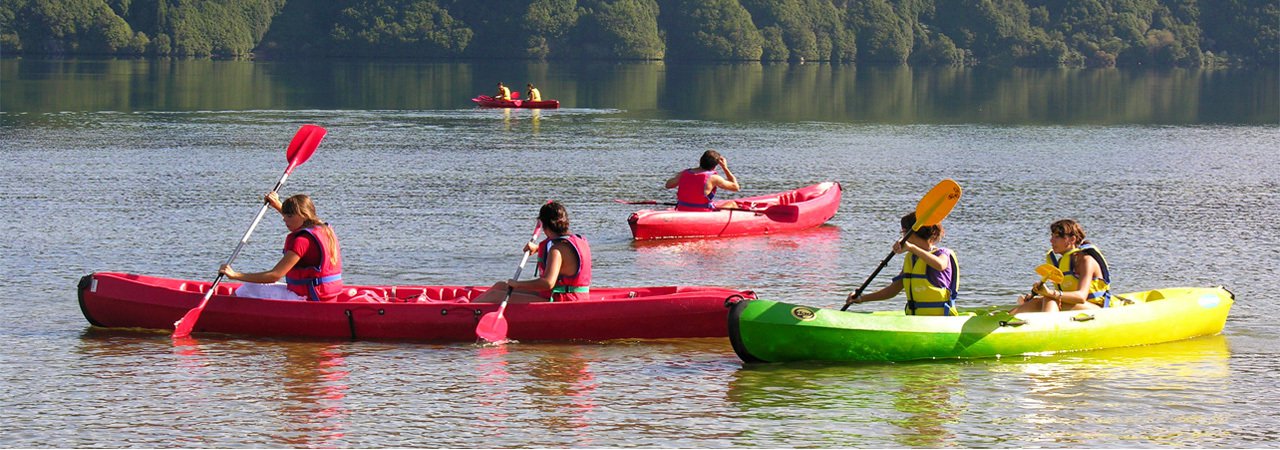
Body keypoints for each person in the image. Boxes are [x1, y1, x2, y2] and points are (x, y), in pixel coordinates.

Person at [220, 192, 344, 302]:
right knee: (255, 287)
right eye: (285, 215)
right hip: (326, 295)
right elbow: (301, 219)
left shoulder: (302, 241)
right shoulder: (324, 229)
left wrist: (235, 275)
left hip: (308, 298)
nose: (284, 219)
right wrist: (278, 204)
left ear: (304, 215)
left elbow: (274, 275)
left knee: (248, 288)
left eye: (289, 216)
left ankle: (223, 313)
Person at [473, 201, 591, 303]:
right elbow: (567, 258)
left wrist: (518, 284)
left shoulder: (556, 250)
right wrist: (538, 248)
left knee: (493, 295)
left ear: (545, 227)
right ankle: (470, 306)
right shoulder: (576, 241)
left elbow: (548, 283)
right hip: (564, 296)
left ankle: (464, 312)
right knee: (500, 286)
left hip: (562, 300)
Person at [844, 212, 960, 316]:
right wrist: (861, 298)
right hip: (916, 319)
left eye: (904, 232)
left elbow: (940, 265)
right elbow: (892, 291)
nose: (902, 237)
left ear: (913, 233)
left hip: (941, 319)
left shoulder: (942, 253)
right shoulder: (912, 259)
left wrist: (912, 248)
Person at [1010, 219, 1112, 314]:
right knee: (1036, 301)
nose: (1051, 241)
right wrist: (1042, 293)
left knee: (1049, 298)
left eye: (1057, 237)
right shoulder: (1061, 262)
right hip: (1072, 306)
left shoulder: (1086, 261)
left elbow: (1081, 297)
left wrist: (1049, 293)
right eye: (1052, 236)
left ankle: (1046, 329)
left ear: (1072, 239)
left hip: (1096, 309)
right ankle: (1006, 320)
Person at [664, 150, 740, 211]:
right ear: (715, 166)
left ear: (700, 161)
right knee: (732, 204)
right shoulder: (714, 178)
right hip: (703, 211)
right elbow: (736, 187)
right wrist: (725, 168)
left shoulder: (684, 173)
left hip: (682, 209)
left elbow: (668, 185)